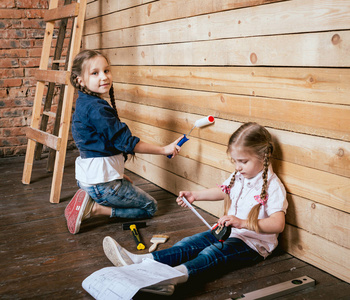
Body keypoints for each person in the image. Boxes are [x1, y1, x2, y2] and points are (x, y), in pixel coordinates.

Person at [101, 122, 288, 296]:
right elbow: (222, 191)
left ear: (264, 156)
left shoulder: (273, 186)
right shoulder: (240, 175)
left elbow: (277, 224)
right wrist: (195, 195)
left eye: (243, 161)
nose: (238, 167)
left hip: (252, 244)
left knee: (211, 254)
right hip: (228, 232)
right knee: (188, 243)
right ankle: (141, 261)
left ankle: (169, 279)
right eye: (234, 161)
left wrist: (242, 222)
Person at [64, 50, 183, 234]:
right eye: (95, 73)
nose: (104, 77)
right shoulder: (97, 110)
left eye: (106, 70)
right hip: (102, 185)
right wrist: (163, 149)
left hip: (88, 179)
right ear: (80, 80)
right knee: (150, 207)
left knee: (128, 190)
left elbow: (102, 146)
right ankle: (96, 209)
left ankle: (93, 197)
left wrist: (116, 175)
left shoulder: (85, 102)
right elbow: (127, 143)